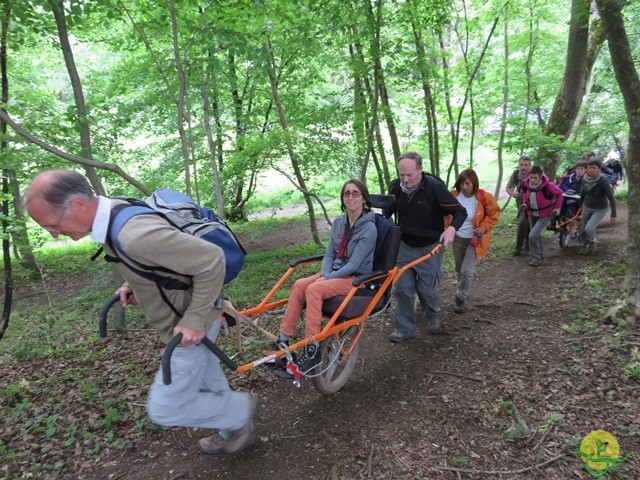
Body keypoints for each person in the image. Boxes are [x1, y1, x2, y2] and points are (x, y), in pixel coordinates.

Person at [25, 169, 257, 456]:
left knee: (164, 407)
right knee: (208, 374)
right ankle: (234, 428)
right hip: (190, 316)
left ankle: (239, 411)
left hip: (189, 324)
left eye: (53, 225)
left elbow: (211, 260)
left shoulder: (133, 234)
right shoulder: (116, 211)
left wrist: (194, 320)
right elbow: (158, 258)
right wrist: (133, 282)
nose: (54, 233)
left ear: (77, 205)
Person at [268, 178, 377, 374]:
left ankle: (312, 349)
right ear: (342, 198)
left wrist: (327, 278)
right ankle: (283, 341)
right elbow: (329, 254)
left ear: (364, 199)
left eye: (355, 193)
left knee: (314, 288)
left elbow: (354, 264)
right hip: (333, 273)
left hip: (355, 278)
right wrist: (326, 274)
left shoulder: (369, 228)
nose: (351, 197)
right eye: (347, 193)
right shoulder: (338, 223)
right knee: (300, 284)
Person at [384, 152, 467, 342]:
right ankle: (404, 329)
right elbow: (388, 212)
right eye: (401, 174)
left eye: (410, 175)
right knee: (402, 288)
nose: (405, 179)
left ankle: (433, 315)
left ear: (420, 170)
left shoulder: (434, 187)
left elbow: (459, 211)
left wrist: (452, 229)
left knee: (427, 289)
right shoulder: (396, 187)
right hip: (404, 246)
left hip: (430, 248)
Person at [446, 169, 501, 314]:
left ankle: (460, 297)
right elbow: (445, 214)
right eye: (462, 183)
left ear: (474, 183)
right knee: (459, 269)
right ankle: (462, 288)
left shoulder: (483, 197)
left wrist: (483, 228)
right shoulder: (453, 196)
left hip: (475, 239)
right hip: (458, 237)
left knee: (466, 271)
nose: (465, 187)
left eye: (468, 184)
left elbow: (494, 213)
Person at [520, 166, 563, 267]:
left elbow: (560, 194)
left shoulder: (548, 185)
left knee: (532, 235)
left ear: (540, 177)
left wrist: (558, 208)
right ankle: (539, 254)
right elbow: (526, 195)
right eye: (531, 177)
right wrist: (525, 203)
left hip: (545, 214)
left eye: (535, 178)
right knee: (536, 235)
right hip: (532, 213)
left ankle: (536, 258)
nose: (533, 180)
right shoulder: (526, 184)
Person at [578, 159, 617, 255]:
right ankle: (585, 245)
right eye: (589, 167)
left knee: (589, 229)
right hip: (587, 206)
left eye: (594, 168)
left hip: (600, 208)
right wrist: (579, 206)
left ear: (599, 169)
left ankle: (593, 241)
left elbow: (610, 197)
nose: (591, 170)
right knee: (582, 229)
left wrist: (613, 214)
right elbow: (583, 193)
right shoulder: (585, 178)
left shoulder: (602, 180)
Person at [505, 155, 532, 256]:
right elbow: (508, 188)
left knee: (529, 223)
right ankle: (518, 247)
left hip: (536, 203)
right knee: (522, 222)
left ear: (530, 165)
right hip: (522, 202)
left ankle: (529, 243)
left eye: (525, 165)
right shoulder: (516, 174)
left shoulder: (536, 173)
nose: (523, 167)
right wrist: (513, 194)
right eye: (521, 165)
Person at [548, 160, 587, 230]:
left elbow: (585, 191)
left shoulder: (586, 180)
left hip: (576, 200)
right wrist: (565, 191)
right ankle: (552, 224)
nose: (579, 171)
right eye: (578, 169)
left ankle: (568, 221)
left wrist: (576, 193)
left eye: (582, 169)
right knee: (557, 204)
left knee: (571, 204)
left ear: (585, 170)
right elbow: (559, 187)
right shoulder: (568, 178)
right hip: (564, 197)